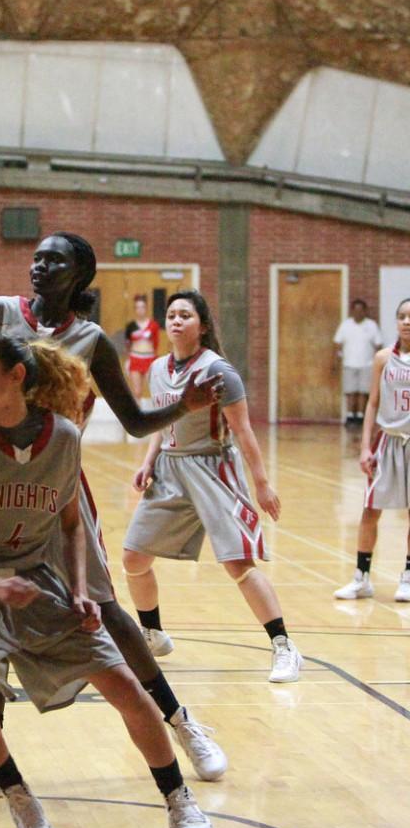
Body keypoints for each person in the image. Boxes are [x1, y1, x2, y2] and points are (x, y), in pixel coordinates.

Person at [0, 232, 227, 784]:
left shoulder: (91, 339)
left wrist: (182, 407)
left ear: (80, 274)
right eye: (37, 257)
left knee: (106, 608)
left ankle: (182, 722)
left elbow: (136, 421)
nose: (40, 266)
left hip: (53, 479)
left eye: (54, 260)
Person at [0, 332, 212, 828]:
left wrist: (80, 589)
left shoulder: (65, 439)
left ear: (17, 378)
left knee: (125, 685)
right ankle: (20, 796)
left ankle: (178, 796)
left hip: (36, 581)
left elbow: (73, 526)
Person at [122, 291, 301, 683]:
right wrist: (148, 461)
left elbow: (244, 429)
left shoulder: (219, 372)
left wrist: (263, 485)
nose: (176, 321)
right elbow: (162, 421)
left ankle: (284, 645)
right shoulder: (156, 369)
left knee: (237, 563)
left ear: (202, 325)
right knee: (134, 558)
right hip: (170, 468)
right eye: (171, 314)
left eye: (185, 315)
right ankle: (152, 633)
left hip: (212, 466)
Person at [334, 297, 410, 603]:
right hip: (387, 442)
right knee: (370, 511)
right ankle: (361, 577)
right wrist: (365, 446)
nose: (407, 322)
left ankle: (407, 576)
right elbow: (373, 403)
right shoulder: (382, 358)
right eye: (402, 316)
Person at [333, 299, 383, 425]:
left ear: (365, 311)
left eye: (361, 310)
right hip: (349, 363)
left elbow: (378, 344)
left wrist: (378, 362)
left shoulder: (371, 325)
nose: (358, 313)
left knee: (363, 391)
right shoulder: (346, 325)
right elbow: (338, 343)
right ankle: (350, 416)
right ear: (352, 311)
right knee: (350, 391)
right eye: (356, 310)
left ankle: (361, 416)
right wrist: (337, 359)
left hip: (367, 364)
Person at [124, 294, 161, 400]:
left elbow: (156, 343)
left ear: (146, 308)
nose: (140, 310)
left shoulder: (153, 325)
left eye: (142, 307)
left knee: (153, 389)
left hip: (149, 359)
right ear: (135, 309)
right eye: (138, 307)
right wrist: (128, 360)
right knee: (137, 391)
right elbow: (127, 344)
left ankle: (155, 414)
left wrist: (155, 360)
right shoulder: (130, 326)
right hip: (135, 358)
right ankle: (137, 415)